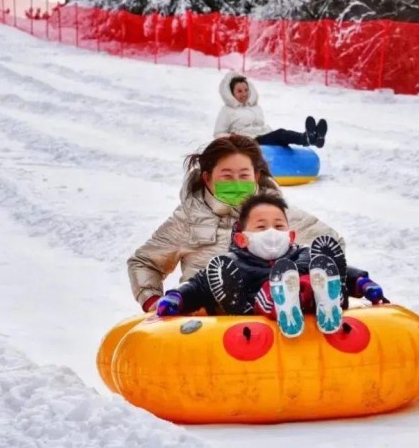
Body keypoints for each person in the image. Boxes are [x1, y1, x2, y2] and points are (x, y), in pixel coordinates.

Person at [127, 135, 344, 312]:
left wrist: (306, 280)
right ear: (207, 178)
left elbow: (330, 244)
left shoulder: (278, 215)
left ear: (256, 177)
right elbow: (144, 261)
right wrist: (151, 300)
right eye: (227, 176)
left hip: (270, 317)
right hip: (208, 325)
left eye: (244, 175)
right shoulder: (189, 218)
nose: (237, 184)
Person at [155, 194, 386, 337]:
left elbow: (345, 273)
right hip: (260, 306)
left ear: (291, 235)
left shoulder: (304, 256)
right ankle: (283, 300)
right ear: (242, 239)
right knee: (271, 286)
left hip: (308, 295)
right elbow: (198, 285)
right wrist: (176, 298)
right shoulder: (235, 264)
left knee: (316, 271)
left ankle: (328, 299)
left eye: (278, 226)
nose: (272, 233)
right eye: (261, 227)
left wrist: (364, 283)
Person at [214, 71, 328, 148]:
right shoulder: (227, 110)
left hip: (262, 136)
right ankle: (306, 138)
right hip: (247, 142)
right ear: (231, 93)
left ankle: (313, 138)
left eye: (246, 90)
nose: (244, 94)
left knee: (281, 137)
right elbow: (218, 133)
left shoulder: (255, 108)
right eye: (239, 91)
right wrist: (231, 137)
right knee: (280, 134)